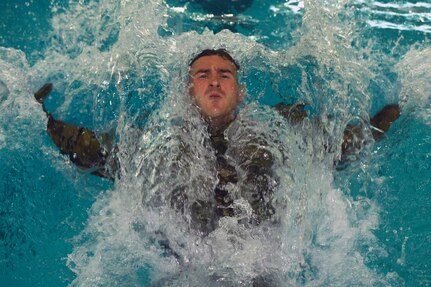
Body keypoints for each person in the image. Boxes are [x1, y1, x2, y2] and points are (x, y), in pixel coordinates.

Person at [34, 49, 400, 232]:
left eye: (224, 75)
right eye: (203, 75)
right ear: (188, 89)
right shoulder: (156, 137)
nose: (213, 81)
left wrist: (394, 112)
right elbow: (97, 154)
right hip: (185, 257)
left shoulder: (276, 129)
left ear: (240, 92)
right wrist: (41, 120)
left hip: (261, 255)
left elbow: (338, 145)